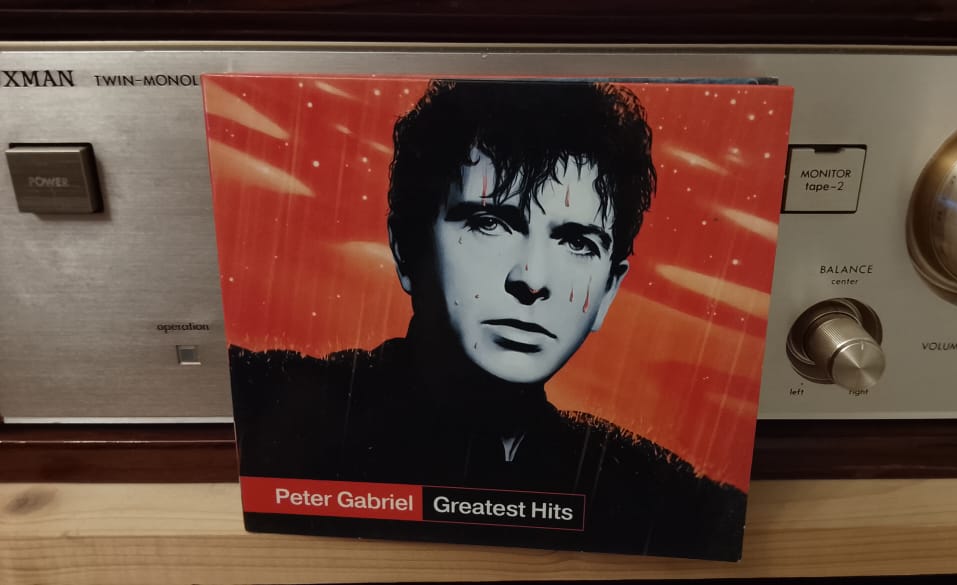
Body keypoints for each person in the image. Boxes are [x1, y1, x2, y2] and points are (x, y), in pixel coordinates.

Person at [230, 79, 746, 559]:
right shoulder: (268, 404)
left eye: (576, 242)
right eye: (489, 222)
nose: (531, 278)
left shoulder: (664, 499)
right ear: (408, 249)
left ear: (609, 290)